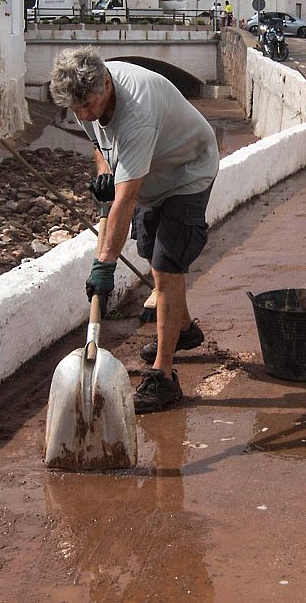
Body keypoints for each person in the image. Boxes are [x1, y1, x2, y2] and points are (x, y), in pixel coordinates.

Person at [49, 47, 220, 414]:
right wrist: (104, 174)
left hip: (187, 171)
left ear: (107, 86)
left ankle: (163, 375)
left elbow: (126, 201)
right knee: (148, 249)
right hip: (151, 176)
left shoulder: (136, 112)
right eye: (77, 110)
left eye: (90, 107)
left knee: (166, 263)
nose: (84, 115)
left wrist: (104, 265)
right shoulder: (85, 96)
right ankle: (184, 330)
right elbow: (100, 142)